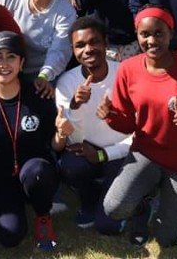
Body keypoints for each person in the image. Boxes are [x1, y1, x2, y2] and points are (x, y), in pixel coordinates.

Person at [98, 7, 177, 249]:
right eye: (144, 34)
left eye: (159, 33)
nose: (152, 40)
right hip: (147, 154)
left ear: (170, 33)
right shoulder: (128, 69)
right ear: (137, 35)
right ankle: (143, 207)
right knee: (114, 207)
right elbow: (127, 123)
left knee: (168, 240)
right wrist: (110, 115)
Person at [0, 31, 61, 251]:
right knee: (10, 237)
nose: (4, 63)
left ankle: (43, 214)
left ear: (22, 62)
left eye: (11, 57)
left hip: (34, 172)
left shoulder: (38, 95)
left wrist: (62, 133)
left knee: (37, 172)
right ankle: (9, 205)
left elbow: (54, 145)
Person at [53, 17, 131, 235]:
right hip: (86, 152)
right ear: (73, 50)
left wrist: (106, 153)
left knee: (107, 226)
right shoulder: (66, 83)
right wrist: (76, 105)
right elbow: (72, 138)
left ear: (106, 43)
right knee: (70, 165)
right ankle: (90, 200)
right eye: (80, 45)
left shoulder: (126, 73)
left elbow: (140, 132)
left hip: (121, 154)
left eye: (94, 42)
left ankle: (139, 200)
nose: (88, 49)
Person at [0, 0, 76, 91]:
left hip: (43, 77)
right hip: (7, 70)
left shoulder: (66, 12)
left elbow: (60, 51)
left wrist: (44, 76)